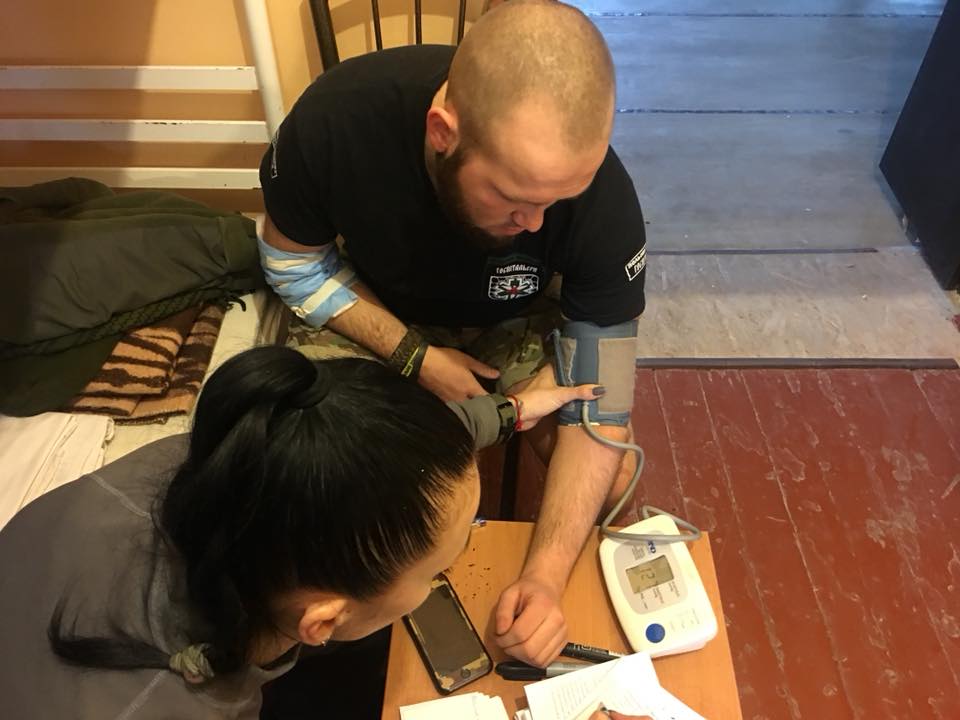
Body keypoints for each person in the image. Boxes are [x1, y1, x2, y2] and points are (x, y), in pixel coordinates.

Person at [258, 0, 647, 668]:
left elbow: (602, 401)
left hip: (515, 321)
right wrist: (415, 357)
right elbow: (292, 262)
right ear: (443, 132)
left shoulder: (600, 199)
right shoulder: (336, 121)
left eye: (556, 201)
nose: (535, 224)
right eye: (514, 198)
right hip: (378, 308)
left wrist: (545, 579)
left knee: (613, 479)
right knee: (319, 481)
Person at [0, 346, 606, 718]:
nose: (444, 575)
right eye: (435, 572)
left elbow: (370, 449)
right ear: (322, 623)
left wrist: (508, 410)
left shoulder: (234, 452)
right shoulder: (181, 702)